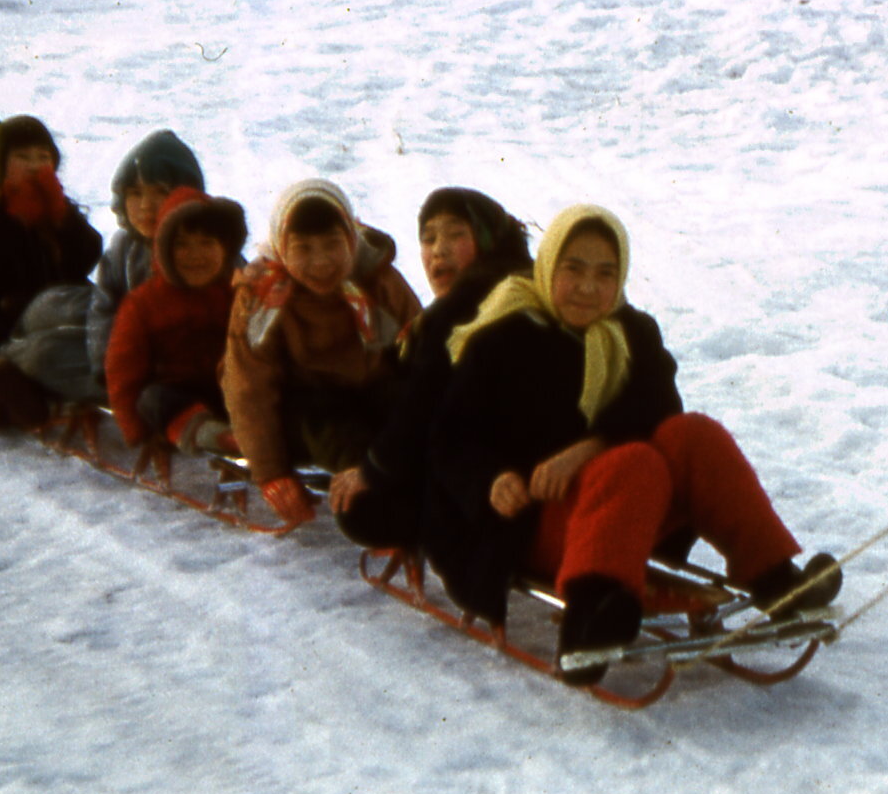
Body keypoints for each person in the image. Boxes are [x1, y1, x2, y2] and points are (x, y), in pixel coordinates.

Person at [429, 205, 839, 686]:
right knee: (634, 461)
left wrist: (588, 447)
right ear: (548, 266)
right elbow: (451, 437)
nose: (588, 287)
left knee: (693, 433)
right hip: (535, 519)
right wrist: (492, 479)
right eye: (573, 269)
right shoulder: (503, 339)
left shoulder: (632, 333)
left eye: (605, 274)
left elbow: (660, 409)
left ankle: (773, 578)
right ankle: (592, 614)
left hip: (628, 510)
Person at [335, 187, 533, 549]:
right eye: (428, 239)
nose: (438, 250)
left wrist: (373, 470)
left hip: (489, 479)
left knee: (359, 509)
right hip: (493, 467)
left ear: (488, 239)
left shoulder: (467, 307)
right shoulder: (516, 286)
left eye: (457, 234)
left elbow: (423, 403)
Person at [221, 180, 425, 529]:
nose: (320, 262)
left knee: (406, 400)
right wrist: (271, 473)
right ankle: (371, 496)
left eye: (332, 244)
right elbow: (247, 389)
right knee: (329, 422)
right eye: (303, 248)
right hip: (306, 408)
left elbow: (423, 348)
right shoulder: (263, 297)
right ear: (282, 247)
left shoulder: (377, 278)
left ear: (350, 238)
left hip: (373, 390)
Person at [0, 117, 104, 430]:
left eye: (43, 158)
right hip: (1, 313)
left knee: (90, 319)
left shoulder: (55, 207)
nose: (34, 166)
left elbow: (88, 254)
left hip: (53, 306)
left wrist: (62, 219)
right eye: (23, 158)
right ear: (0, 164)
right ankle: (6, 380)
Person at [104, 189, 250, 454]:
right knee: (151, 398)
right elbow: (122, 371)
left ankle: (261, 434)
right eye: (182, 244)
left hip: (226, 391)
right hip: (176, 396)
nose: (195, 254)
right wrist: (135, 432)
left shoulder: (236, 292)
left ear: (226, 248)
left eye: (207, 243)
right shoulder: (143, 303)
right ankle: (212, 435)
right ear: (163, 250)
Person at [89, 130, 208, 394]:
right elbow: (103, 308)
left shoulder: (207, 246)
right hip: (127, 358)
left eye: (160, 192)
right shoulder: (123, 249)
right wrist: (107, 366)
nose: (146, 205)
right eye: (135, 193)